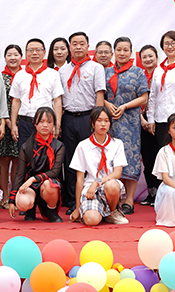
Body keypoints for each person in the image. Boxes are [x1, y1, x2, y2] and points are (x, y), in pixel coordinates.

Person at [58, 32, 106, 214]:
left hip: (88, 118)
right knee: (71, 161)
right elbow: (59, 99)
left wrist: (97, 121)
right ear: (70, 47)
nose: (78, 47)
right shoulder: (62, 70)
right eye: (74, 43)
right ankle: (73, 201)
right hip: (68, 118)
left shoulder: (96, 68)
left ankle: (92, 197)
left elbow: (100, 95)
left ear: (88, 46)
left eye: (82, 43)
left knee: (91, 159)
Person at [103, 37, 148, 214]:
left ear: (131, 52)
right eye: (119, 49)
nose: (122, 53)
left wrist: (125, 106)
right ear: (114, 52)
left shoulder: (138, 72)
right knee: (111, 158)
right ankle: (115, 198)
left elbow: (144, 97)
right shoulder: (105, 72)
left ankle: (129, 199)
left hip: (130, 122)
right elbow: (99, 95)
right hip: (109, 122)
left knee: (131, 159)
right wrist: (107, 104)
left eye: (125, 50)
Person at [69, 106, 129, 226]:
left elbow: (117, 173)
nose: (103, 124)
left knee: (112, 185)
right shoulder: (83, 146)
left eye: (106, 121)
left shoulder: (117, 144)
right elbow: (80, 179)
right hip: (90, 189)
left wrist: (97, 182)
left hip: (109, 187)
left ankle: (112, 212)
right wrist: (77, 208)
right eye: (99, 120)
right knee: (91, 220)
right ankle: (98, 211)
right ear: (92, 123)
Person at [8, 107, 65, 223]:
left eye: (49, 122)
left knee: (50, 184)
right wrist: (12, 200)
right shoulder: (26, 146)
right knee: (22, 203)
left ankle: (51, 210)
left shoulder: (59, 146)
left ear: (54, 125)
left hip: (47, 184)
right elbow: (20, 173)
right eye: (41, 121)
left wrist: (33, 179)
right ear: (35, 123)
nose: (45, 125)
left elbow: (55, 172)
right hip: (31, 186)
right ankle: (31, 208)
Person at [10, 38, 63, 156]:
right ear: (26, 53)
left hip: (46, 124)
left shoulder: (53, 74)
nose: (34, 53)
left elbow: (57, 101)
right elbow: (16, 101)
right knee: (25, 157)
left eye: (38, 50)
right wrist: (13, 125)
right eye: (31, 50)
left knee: (45, 157)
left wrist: (57, 125)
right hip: (25, 123)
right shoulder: (19, 75)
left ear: (44, 53)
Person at [0, 44, 23, 209]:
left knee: (17, 159)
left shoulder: (25, 76)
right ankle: (4, 196)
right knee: (4, 159)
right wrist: (6, 121)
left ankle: (14, 195)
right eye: (9, 55)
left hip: (22, 122)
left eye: (16, 54)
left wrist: (15, 123)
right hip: (3, 122)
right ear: (4, 58)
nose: (13, 57)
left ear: (21, 57)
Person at [138, 45, 160, 206]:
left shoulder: (162, 74)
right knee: (147, 158)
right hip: (142, 120)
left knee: (159, 156)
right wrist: (142, 119)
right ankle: (151, 192)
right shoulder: (139, 76)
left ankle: (160, 192)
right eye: (144, 57)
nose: (148, 59)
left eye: (150, 56)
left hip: (159, 120)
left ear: (156, 57)